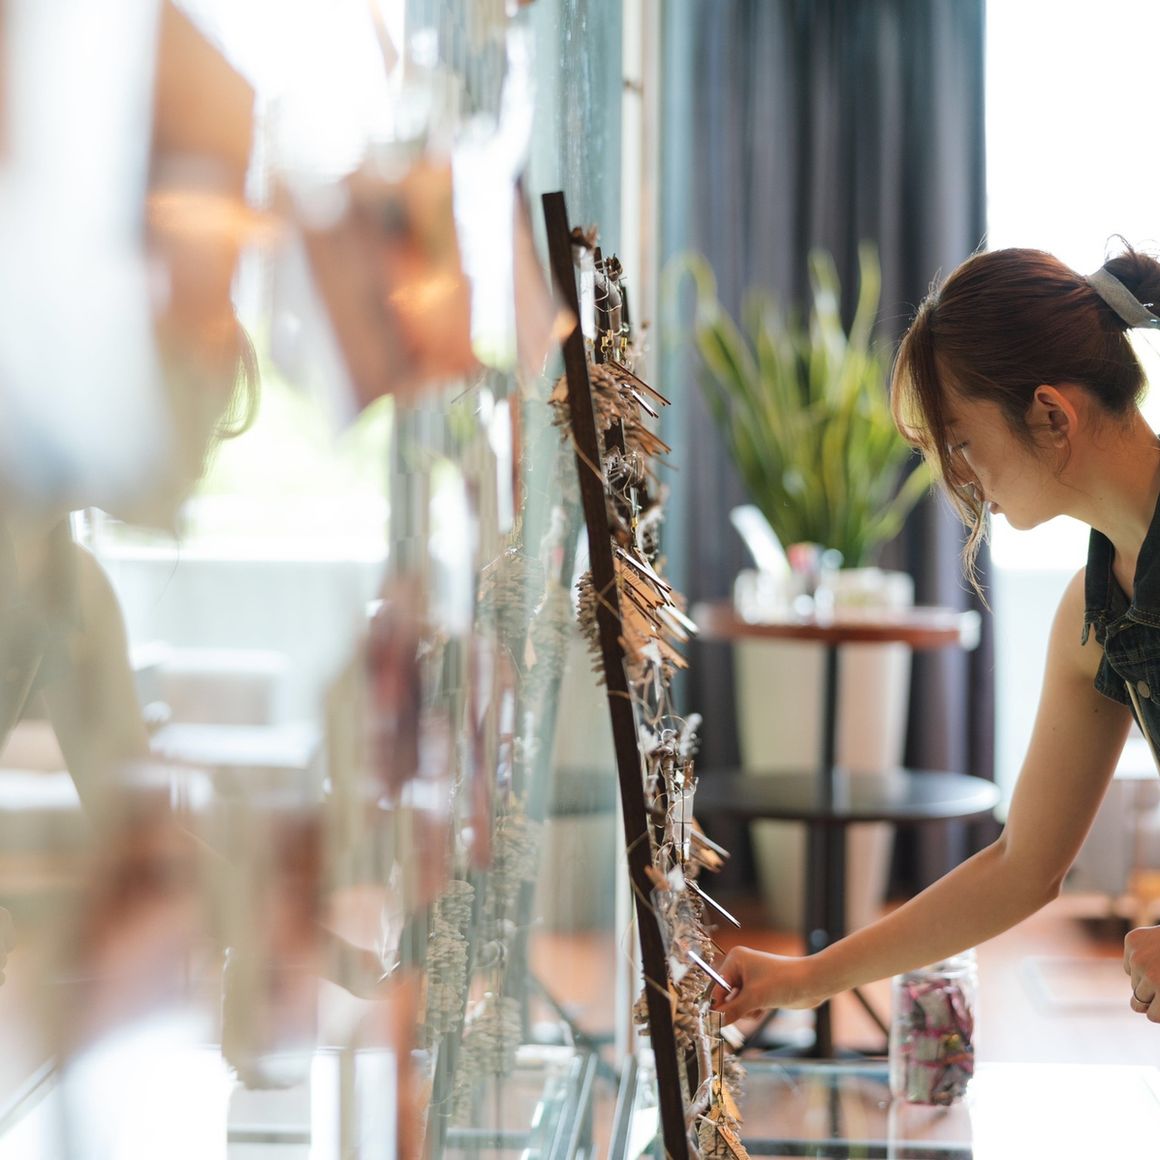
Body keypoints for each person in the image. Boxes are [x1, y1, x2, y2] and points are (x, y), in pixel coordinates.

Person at [711, 242, 1160, 1027]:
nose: (960, 476)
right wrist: (807, 979)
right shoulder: (1091, 617)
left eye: (960, 441)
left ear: (1051, 416)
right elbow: (1021, 866)